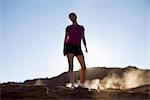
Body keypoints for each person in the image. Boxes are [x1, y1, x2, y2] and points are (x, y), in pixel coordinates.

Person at [63, 12, 88, 89]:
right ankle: (72, 84)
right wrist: (64, 48)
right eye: (70, 17)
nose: (72, 18)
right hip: (69, 46)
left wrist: (86, 46)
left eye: (73, 17)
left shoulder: (81, 27)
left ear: (76, 17)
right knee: (71, 66)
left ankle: (82, 84)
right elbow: (65, 38)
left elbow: (83, 37)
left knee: (83, 66)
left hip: (78, 47)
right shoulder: (68, 27)